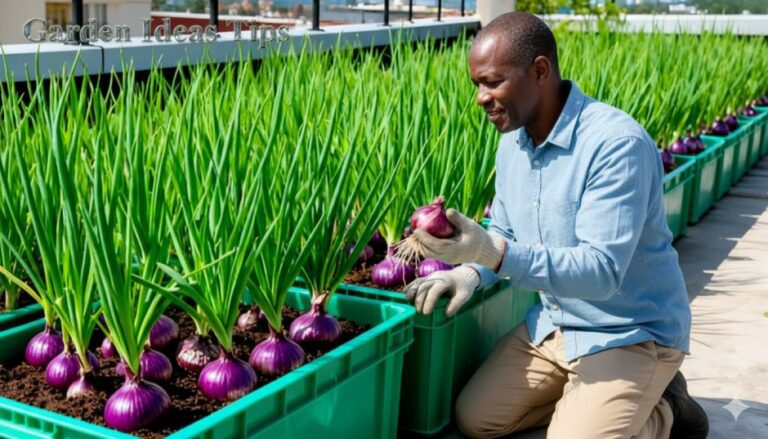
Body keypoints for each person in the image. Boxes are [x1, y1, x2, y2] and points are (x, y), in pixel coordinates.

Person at [404, 12, 709, 439]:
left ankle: (664, 411)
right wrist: (469, 271)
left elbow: (601, 271)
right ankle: (602, 402)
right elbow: (505, 233)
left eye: (493, 82)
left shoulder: (615, 145)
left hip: (630, 330)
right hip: (559, 324)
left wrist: (490, 253)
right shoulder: (513, 142)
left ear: (540, 70)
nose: (481, 97)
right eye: (477, 84)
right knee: (477, 419)